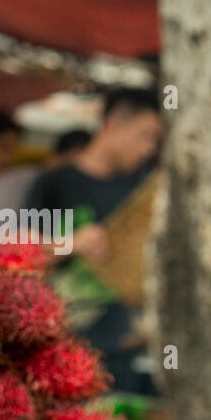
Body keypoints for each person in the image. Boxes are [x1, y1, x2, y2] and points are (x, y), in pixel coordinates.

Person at [25, 87, 163, 393]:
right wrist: (72, 244)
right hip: (57, 347)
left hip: (120, 353)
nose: (149, 148)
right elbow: (18, 252)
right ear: (113, 124)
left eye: (155, 140)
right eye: (145, 135)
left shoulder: (140, 191)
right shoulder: (54, 183)